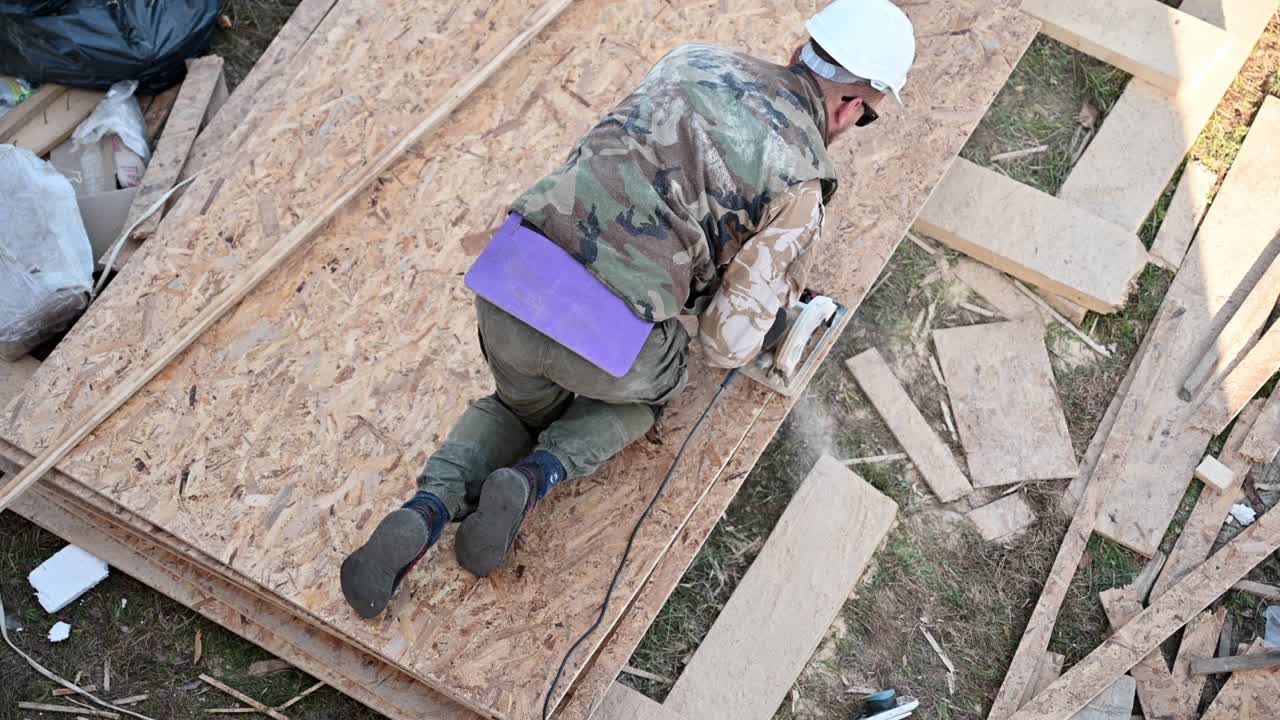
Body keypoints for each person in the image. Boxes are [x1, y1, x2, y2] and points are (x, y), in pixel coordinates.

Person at [340, 0, 917, 619]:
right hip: (610, 338)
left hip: (512, 282)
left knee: (513, 401)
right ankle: (537, 475)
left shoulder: (691, 57)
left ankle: (424, 510)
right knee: (651, 392)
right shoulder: (801, 185)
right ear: (850, 105)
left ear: (803, 48)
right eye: (865, 119)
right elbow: (725, 342)